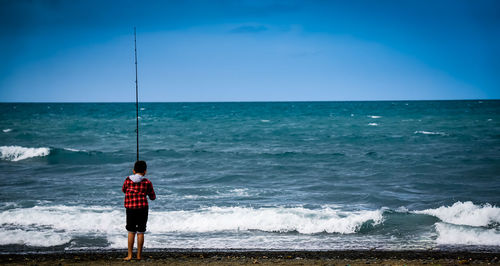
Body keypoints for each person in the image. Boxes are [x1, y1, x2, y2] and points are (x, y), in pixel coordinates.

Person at [122, 160, 156, 261]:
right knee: (141, 231)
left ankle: (129, 255)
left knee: (131, 231)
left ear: (133, 171)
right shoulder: (147, 182)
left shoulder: (128, 180)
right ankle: (139, 256)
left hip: (130, 209)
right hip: (142, 209)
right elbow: (152, 197)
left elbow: (124, 190)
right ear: (145, 172)